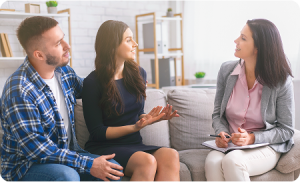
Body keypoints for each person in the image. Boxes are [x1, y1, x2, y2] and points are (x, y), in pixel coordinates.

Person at [0, 16, 124, 182]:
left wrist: (128, 81)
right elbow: (38, 150)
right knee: (67, 176)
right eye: (58, 43)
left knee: (113, 169)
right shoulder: (19, 90)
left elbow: (93, 90)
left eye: (63, 38)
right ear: (39, 54)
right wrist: (87, 164)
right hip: (26, 166)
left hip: (67, 155)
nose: (68, 46)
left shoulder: (64, 73)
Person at [82, 20, 180, 182]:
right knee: (147, 161)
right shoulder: (92, 82)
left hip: (134, 144)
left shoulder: (138, 73)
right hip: (104, 147)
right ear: (112, 45)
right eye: (128, 40)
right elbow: (98, 131)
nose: (135, 44)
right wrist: (135, 126)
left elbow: (135, 113)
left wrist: (149, 119)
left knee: (171, 154)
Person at [205, 19, 295, 182]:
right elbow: (218, 115)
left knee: (233, 162)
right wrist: (222, 133)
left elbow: (287, 129)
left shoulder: (281, 80)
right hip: (231, 145)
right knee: (212, 163)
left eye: (243, 38)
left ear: (258, 48)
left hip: (264, 146)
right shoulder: (226, 71)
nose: (236, 41)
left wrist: (252, 138)